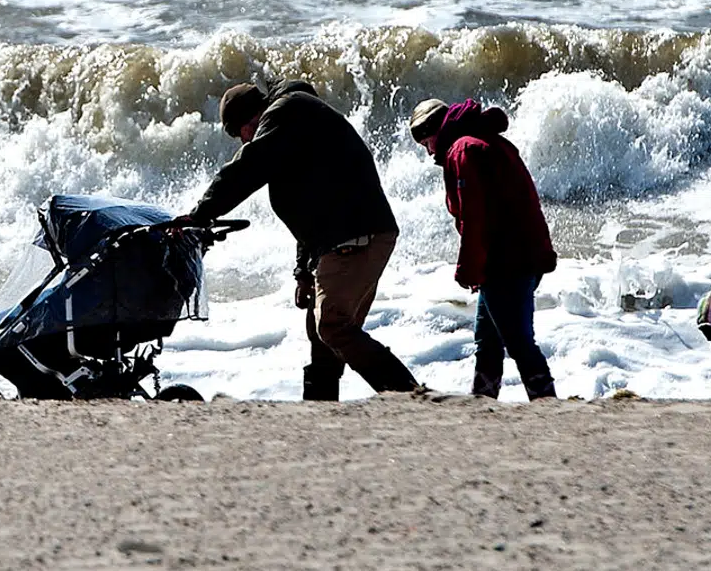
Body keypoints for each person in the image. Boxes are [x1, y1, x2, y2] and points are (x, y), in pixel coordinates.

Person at [175, 79, 419, 400]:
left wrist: (201, 214)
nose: (243, 141)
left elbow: (247, 168)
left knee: (333, 327)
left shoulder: (284, 113)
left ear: (251, 119)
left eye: (239, 134)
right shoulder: (296, 122)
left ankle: (413, 398)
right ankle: (321, 408)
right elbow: (311, 209)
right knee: (321, 330)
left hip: (354, 235)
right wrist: (304, 271)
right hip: (352, 234)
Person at [409, 98, 558, 401]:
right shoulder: (487, 141)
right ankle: (482, 403)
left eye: (427, 141)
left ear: (437, 129)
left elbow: (476, 217)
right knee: (488, 340)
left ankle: (547, 404)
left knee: (518, 342)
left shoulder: (463, 150)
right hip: (522, 253)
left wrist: (469, 267)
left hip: (506, 260)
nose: (428, 150)